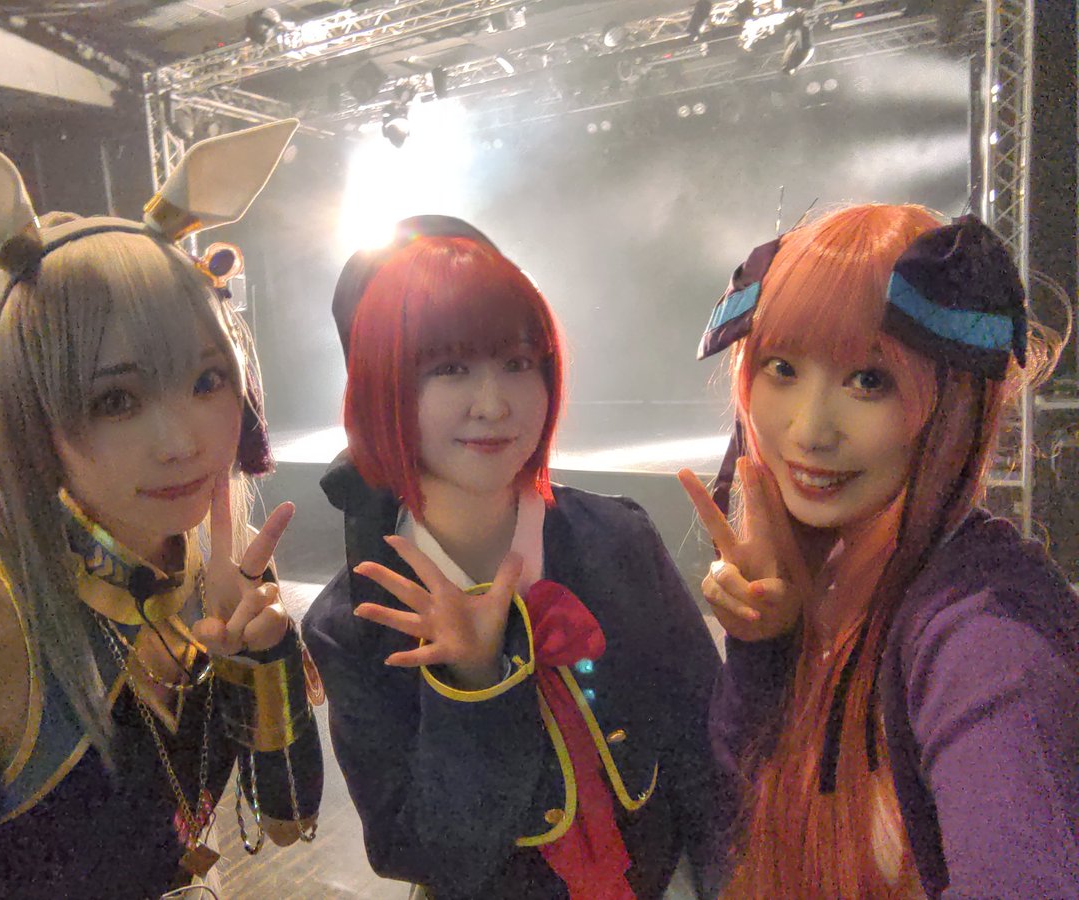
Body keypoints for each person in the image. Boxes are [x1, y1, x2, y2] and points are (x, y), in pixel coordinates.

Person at [0, 110, 323, 898]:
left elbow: (286, 825)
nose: (182, 440)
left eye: (206, 380)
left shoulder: (215, 567)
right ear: (11, 426)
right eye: (115, 399)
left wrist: (264, 662)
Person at [303, 216, 723, 899]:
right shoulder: (356, 622)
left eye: (518, 363)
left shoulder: (617, 540)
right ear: (381, 388)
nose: (494, 404)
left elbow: (707, 756)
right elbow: (426, 853)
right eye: (449, 369)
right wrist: (476, 688)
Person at [678, 203, 1079, 897]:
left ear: (952, 400)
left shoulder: (984, 638)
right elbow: (742, 825)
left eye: (869, 380)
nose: (810, 430)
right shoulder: (828, 572)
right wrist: (764, 646)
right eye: (782, 367)